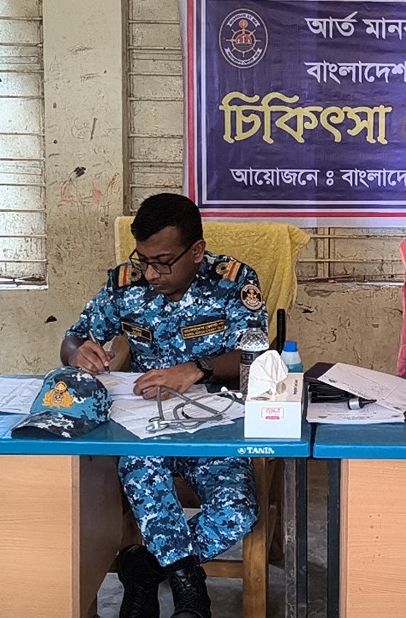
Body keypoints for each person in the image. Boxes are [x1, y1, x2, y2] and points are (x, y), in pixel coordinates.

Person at [61, 193, 266, 618]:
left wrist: (197, 368)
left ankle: (143, 568)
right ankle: (192, 596)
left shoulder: (234, 282)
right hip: (144, 426)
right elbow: (74, 336)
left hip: (215, 423)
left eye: (164, 262)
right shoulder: (126, 284)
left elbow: (256, 355)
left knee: (238, 512)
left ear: (197, 251)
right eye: (144, 260)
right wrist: (78, 352)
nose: (151, 273)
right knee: (141, 474)